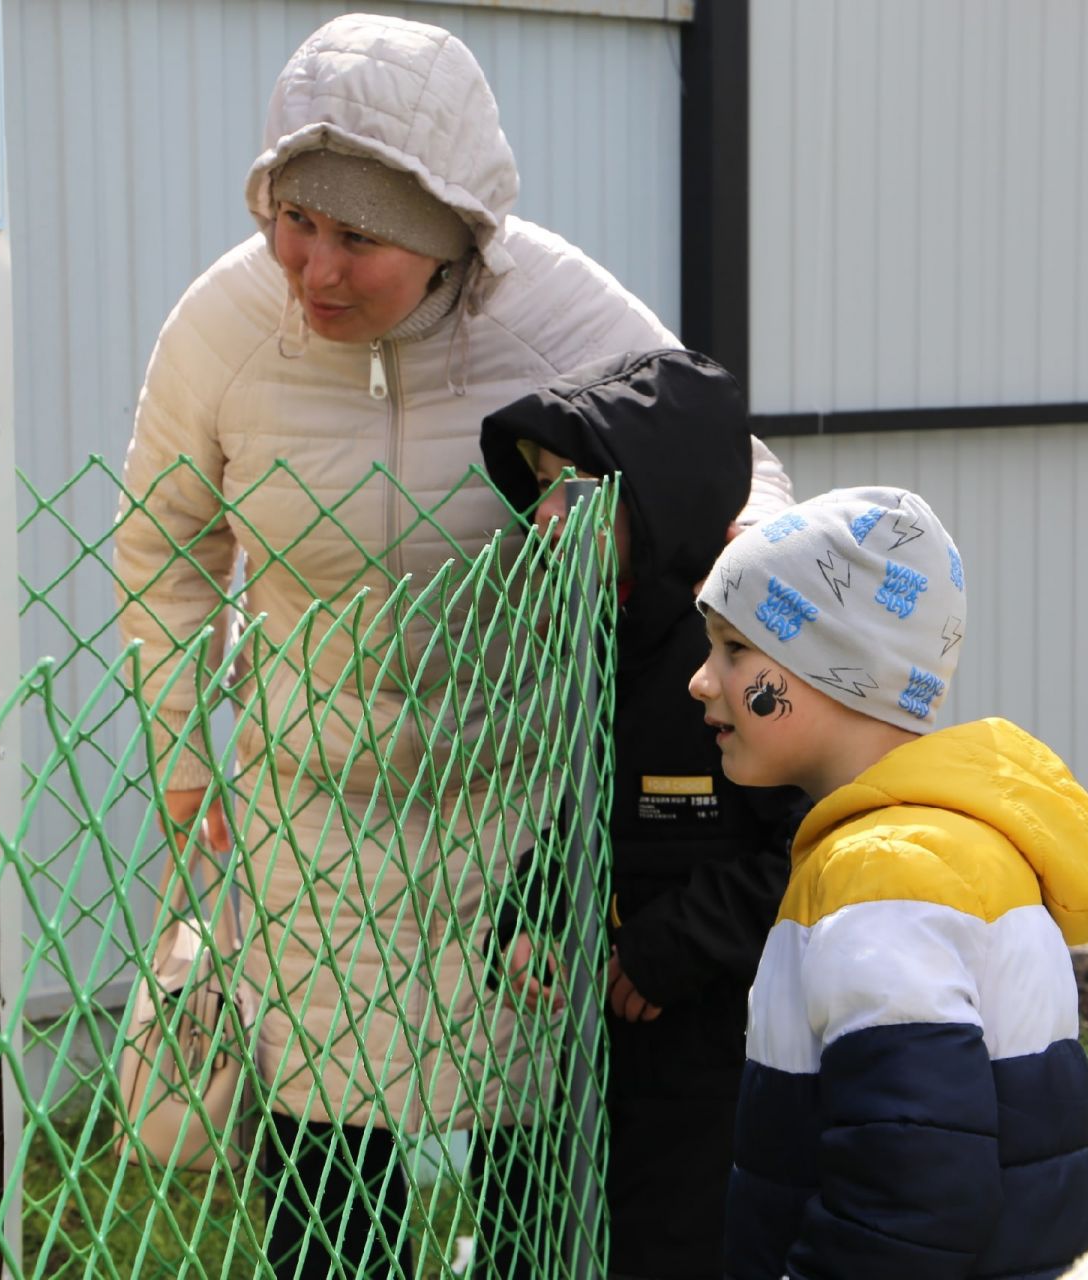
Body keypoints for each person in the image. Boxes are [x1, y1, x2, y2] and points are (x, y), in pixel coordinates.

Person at [111, 14, 792, 1278]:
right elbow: (162, 550)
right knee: (326, 1192)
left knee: (531, 1175)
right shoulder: (222, 326)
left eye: (357, 237)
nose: (310, 266)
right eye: (291, 218)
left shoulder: (556, 306)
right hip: (310, 816)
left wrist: (748, 574)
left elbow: (733, 463)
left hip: (518, 807)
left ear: (450, 234)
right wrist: (183, 751)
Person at [686, 486, 1088, 1279]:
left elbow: (912, 1195)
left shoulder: (883, 875)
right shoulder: (950, 845)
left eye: (733, 648)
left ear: (839, 667)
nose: (702, 681)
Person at [478, 349, 803, 1279]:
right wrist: (537, 906)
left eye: (575, 490)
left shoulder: (748, 656)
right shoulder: (602, 634)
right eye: (539, 489)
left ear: (661, 494)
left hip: (726, 1050)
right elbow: (591, 808)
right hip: (611, 1051)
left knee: (686, 1242)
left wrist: (677, 944)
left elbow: (817, 838)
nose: (546, 519)